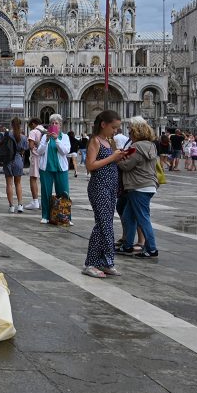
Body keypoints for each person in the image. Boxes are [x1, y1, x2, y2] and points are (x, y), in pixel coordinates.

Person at [83, 110, 126, 278]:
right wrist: (111, 158)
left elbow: (112, 161)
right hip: (99, 186)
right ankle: (91, 263)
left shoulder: (110, 141)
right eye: (113, 127)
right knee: (102, 225)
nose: (115, 131)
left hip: (111, 186)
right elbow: (90, 166)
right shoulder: (95, 141)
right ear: (103, 124)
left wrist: (119, 157)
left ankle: (105, 262)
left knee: (107, 224)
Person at [117, 117, 160, 258]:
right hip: (148, 185)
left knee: (143, 218)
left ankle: (152, 249)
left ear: (136, 133)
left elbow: (127, 166)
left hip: (138, 186)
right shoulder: (151, 146)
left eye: (131, 132)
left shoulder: (137, 148)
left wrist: (117, 159)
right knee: (128, 217)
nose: (129, 135)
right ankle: (127, 246)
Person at [34, 113, 71, 224]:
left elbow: (65, 151)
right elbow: (39, 151)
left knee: (64, 192)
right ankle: (45, 216)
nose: (54, 125)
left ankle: (66, 217)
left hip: (61, 169)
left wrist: (57, 140)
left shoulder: (65, 137)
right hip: (46, 169)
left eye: (56, 123)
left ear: (60, 126)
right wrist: (46, 140)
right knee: (46, 192)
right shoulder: (45, 137)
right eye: (52, 123)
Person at [0, 117, 25, 213]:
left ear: (11, 125)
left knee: (9, 184)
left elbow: (1, 145)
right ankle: (20, 205)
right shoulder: (23, 137)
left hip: (8, 160)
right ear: (20, 125)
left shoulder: (7, 135)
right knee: (18, 183)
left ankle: (11, 206)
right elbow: (23, 149)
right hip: (18, 160)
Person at [24, 118, 43, 210]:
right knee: (44, 180)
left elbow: (31, 146)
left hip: (36, 157)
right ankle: (44, 201)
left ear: (33, 124)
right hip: (45, 158)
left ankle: (35, 201)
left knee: (33, 178)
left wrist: (34, 143)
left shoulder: (34, 132)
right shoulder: (45, 131)